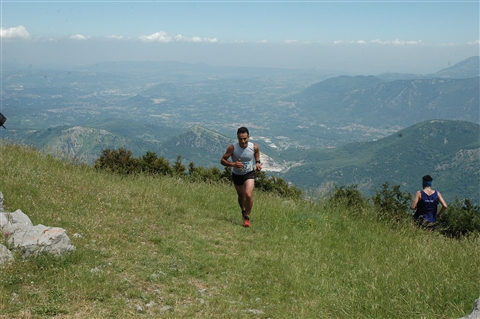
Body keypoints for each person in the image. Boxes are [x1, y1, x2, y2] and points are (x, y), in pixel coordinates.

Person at [221, 127, 262, 227]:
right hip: (237, 174)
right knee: (241, 195)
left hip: (249, 173)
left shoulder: (254, 146)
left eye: (245, 138)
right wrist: (233, 164)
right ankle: (243, 211)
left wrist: (257, 163)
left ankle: (247, 216)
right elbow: (222, 160)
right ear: (237, 138)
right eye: (240, 139)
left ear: (248, 137)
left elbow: (256, 153)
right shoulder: (232, 148)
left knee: (248, 194)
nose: (243, 141)